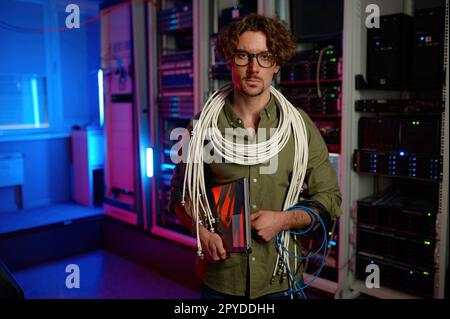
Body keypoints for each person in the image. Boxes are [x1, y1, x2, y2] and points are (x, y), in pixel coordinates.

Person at [169, 13, 342, 299]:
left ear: (276, 64)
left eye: (264, 57)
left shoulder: (298, 126)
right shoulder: (201, 127)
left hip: (280, 278)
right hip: (222, 281)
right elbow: (178, 197)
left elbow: (330, 199)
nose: (253, 68)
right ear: (229, 60)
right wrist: (202, 233)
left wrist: (282, 220)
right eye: (243, 56)